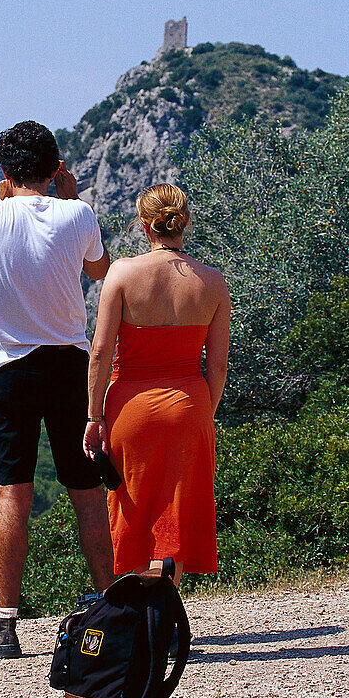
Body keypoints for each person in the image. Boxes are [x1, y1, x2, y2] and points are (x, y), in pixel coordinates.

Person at [0, 120, 114, 659]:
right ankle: (106, 605)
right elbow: (100, 272)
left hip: (8, 372)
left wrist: (1, 204)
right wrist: (71, 201)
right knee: (86, 492)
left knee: (12, 494)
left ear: (4, 170)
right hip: (69, 367)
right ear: (55, 169)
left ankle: (4, 624)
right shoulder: (79, 214)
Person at [83, 183, 230, 587]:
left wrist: (93, 415)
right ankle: (162, 618)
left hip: (130, 406)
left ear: (144, 225)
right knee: (175, 516)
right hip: (189, 405)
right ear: (185, 223)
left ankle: (137, 624)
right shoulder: (213, 282)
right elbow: (217, 366)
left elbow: (99, 352)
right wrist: (203, 411)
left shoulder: (123, 274)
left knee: (133, 511)